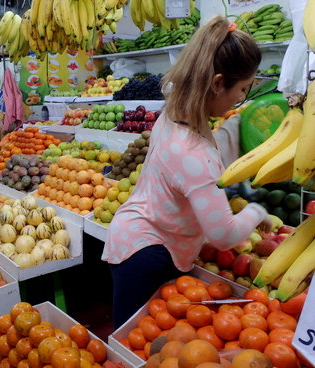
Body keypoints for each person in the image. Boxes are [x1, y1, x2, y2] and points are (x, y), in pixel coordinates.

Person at [102, 16, 272, 328]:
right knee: (135, 348)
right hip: (146, 254)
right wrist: (259, 211)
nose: (241, 98)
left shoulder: (175, 113)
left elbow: (194, 163)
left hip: (138, 234)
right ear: (218, 83)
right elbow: (224, 235)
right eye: (243, 89)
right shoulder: (193, 152)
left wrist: (236, 129)